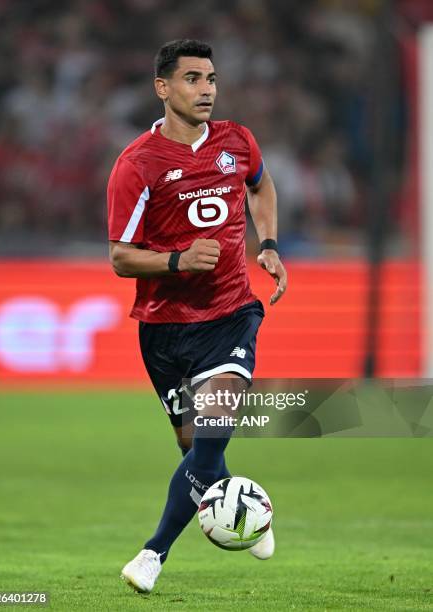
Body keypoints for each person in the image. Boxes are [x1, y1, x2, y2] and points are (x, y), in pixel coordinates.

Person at [107, 39, 287, 594]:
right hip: (164, 330)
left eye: (210, 78)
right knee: (199, 455)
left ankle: (151, 555)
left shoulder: (237, 141)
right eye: (191, 79)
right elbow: (120, 256)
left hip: (232, 315)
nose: (206, 89)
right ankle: (245, 511)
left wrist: (270, 243)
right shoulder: (138, 165)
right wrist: (178, 261)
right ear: (163, 88)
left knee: (209, 436)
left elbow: (261, 185)